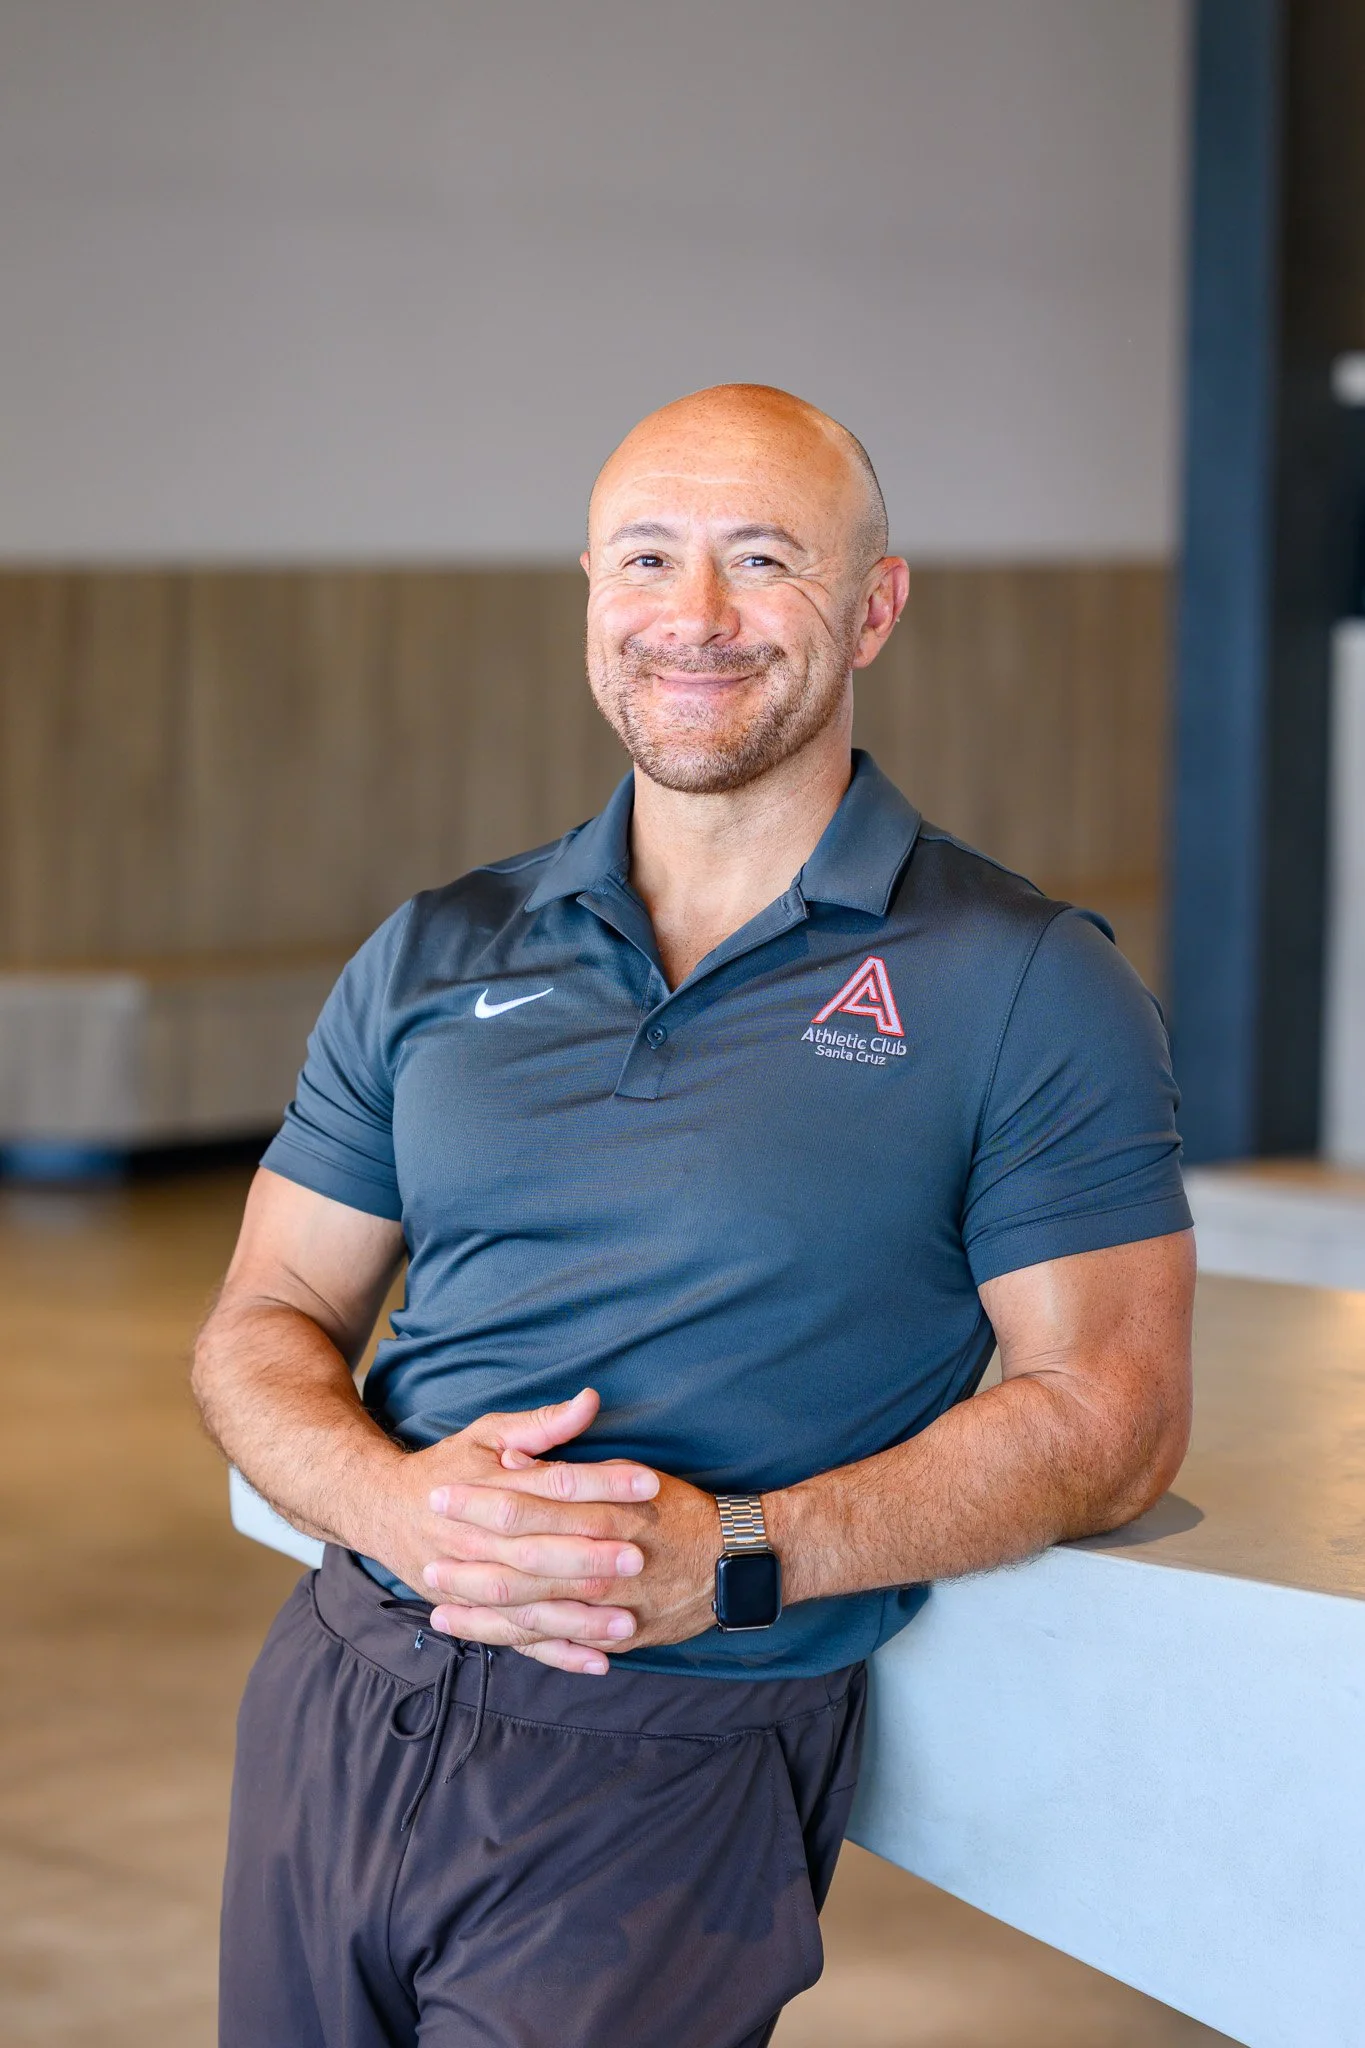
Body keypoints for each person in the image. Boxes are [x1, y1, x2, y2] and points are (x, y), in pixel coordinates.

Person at [195, 383, 1195, 2048]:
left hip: (667, 1761)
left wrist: (730, 1560)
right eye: (647, 559)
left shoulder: (1025, 983)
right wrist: (393, 1500)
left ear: (873, 606)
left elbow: (1117, 1414)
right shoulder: (438, 946)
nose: (696, 618)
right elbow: (262, 1317)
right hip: (336, 1696)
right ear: (592, 597)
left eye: (762, 560)